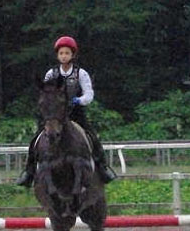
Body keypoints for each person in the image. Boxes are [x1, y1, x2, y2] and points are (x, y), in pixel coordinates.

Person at [17, 35, 117, 187]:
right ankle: (28, 172)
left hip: (75, 113)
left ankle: (103, 167)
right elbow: (46, 92)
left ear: (72, 55)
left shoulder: (80, 73)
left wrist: (78, 100)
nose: (64, 56)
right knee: (35, 139)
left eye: (67, 53)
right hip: (54, 115)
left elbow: (89, 94)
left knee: (92, 136)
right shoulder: (51, 73)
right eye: (61, 53)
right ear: (57, 55)